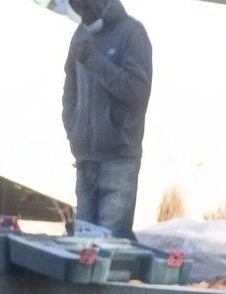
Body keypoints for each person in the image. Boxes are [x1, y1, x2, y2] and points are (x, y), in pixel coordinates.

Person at [62, 0, 152, 238]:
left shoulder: (132, 33)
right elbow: (70, 88)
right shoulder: (80, 33)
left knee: (109, 249)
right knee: (83, 251)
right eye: (76, 7)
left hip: (119, 160)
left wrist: (95, 61)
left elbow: (137, 90)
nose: (82, 13)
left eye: (86, 6)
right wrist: (73, 128)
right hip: (85, 159)